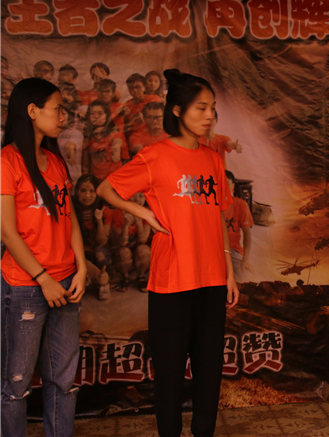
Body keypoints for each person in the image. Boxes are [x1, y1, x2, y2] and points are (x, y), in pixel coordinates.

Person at [97, 68, 238, 437]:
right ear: (177, 110)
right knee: (170, 373)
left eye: (212, 108)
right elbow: (106, 189)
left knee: (209, 370)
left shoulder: (213, 158)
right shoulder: (155, 155)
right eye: (201, 108)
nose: (209, 115)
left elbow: (220, 216)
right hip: (171, 280)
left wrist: (230, 272)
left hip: (212, 279)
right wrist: (143, 212)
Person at [1, 77, 88, 437]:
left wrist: (81, 268)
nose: (63, 116)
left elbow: (69, 220)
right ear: (32, 111)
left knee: (64, 380)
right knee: (15, 384)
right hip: (26, 286)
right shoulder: (7, 162)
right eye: (57, 109)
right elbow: (7, 232)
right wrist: (43, 278)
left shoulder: (54, 161)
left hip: (66, 283)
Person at [82, 100, 128, 180]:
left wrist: (116, 148)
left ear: (107, 115)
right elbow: (85, 165)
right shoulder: (88, 137)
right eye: (92, 114)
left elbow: (119, 151)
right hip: (96, 180)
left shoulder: (115, 134)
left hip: (114, 179)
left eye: (100, 113)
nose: (96, 116)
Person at [223, 170, 254, 283]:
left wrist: (245, 259)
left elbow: (247, 235)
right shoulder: (210, 205)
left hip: (233, 251)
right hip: (213, 252)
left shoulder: (240, 205)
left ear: (233, 185)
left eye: (227, 183)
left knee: (246, 277)